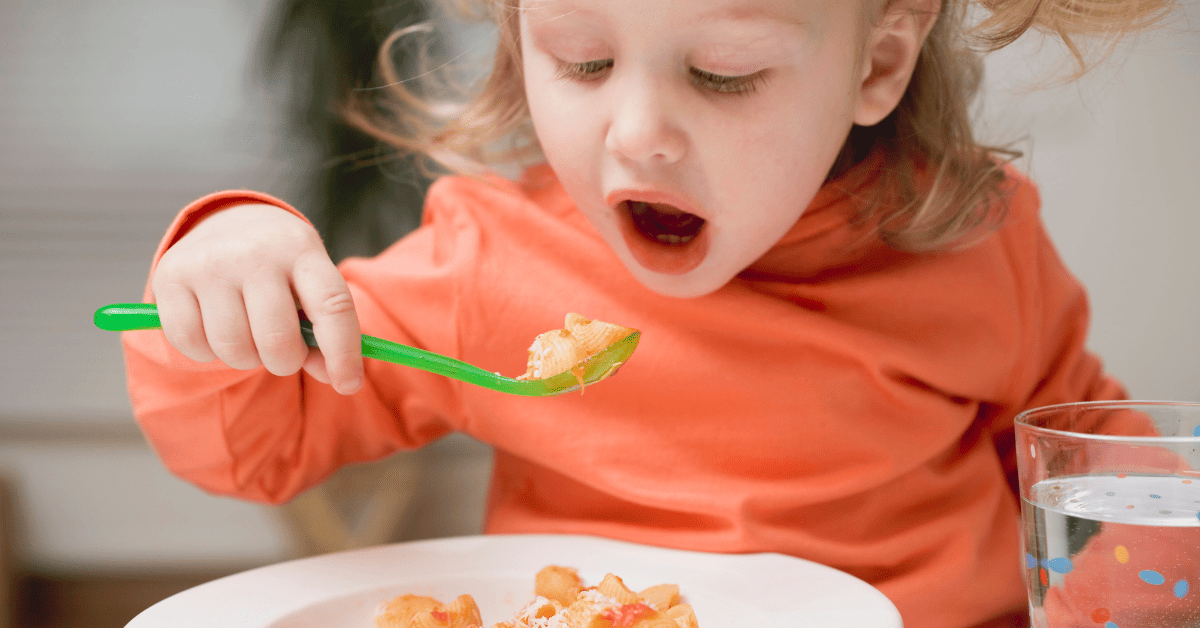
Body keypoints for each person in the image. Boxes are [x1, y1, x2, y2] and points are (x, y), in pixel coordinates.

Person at [119, 1, 1175, 627]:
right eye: (581, 59)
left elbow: (1085, 468)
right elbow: (250, 443)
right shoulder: (491, 265)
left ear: (879, 62)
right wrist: (229, 273)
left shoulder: (978, 242)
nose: (638, 135)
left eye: (724, 74)